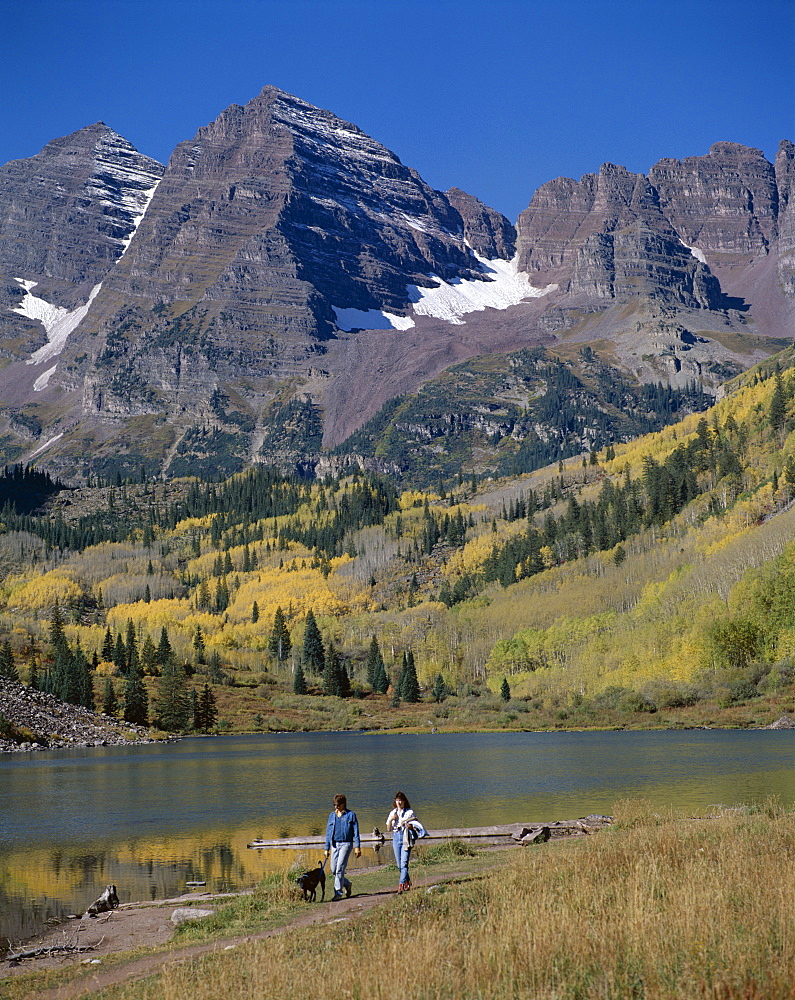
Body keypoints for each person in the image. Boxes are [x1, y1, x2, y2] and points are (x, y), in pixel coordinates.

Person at [324, 793, 361, 901]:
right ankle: (347, 884)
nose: (336, 807)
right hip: (334, 844)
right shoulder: (332, 816)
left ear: (343, 804)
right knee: (334, 870)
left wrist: (357, 847)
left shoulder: (351, 815)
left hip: (346, 844)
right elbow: (328, 833)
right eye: (334, 805)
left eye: (338, 805)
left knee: (340, 868)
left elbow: (356, 832)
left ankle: (338, 893)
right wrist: (326, 848)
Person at [386, 790, 415, 893]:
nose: (399, 802)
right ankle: (407, 881)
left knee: (404, 862)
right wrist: (391, 820)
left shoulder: (409, 812)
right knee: (399, 864)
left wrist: (409, 826)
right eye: (397, 800)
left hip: (405, 837)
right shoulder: (392, 813)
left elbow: (414, 826)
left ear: (404, 801)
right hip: (396, 837)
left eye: (401, 800)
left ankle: (401, 884)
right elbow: (388, 828)